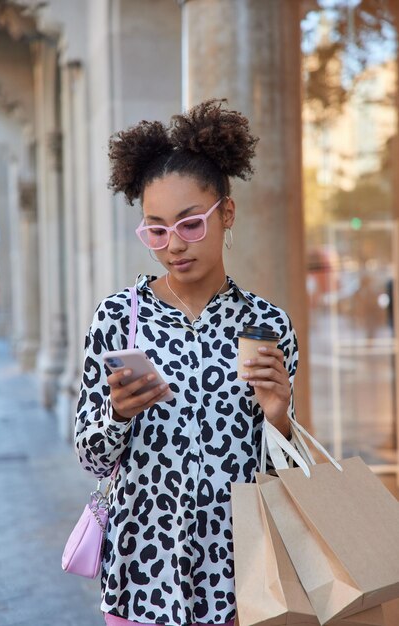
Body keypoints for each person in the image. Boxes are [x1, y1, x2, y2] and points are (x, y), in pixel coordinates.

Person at [75, 99, 298, 626]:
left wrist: (280, 415)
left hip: (240, 581)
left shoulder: (268, 324)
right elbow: (90, 456)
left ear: (227, 213)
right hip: (141, 577)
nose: (174, 245)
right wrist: (118, 415)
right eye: (155, 230)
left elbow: (285, 473)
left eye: (190, 224)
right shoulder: (116, 318)